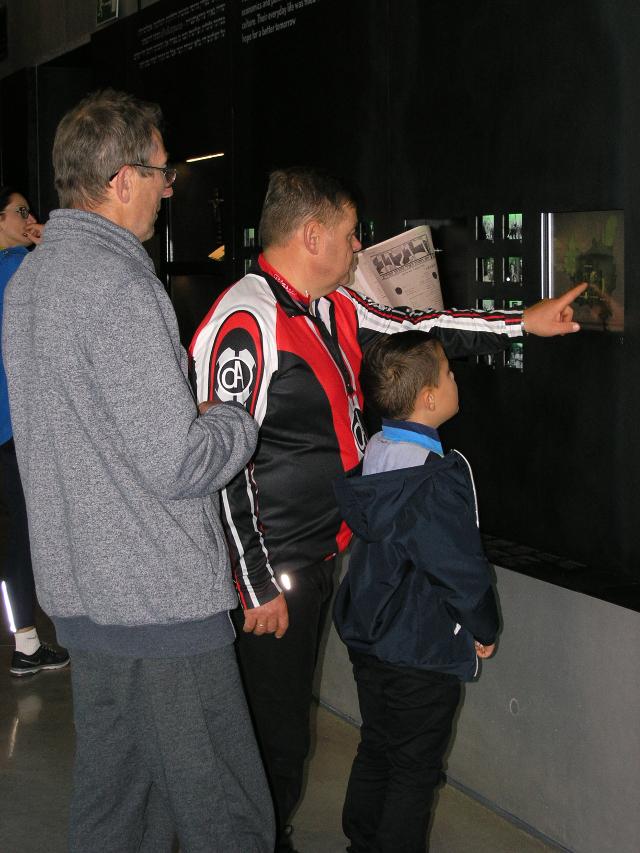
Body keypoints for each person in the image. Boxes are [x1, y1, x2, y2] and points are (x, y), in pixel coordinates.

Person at [189, 166, 585, 852]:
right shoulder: (247, 321)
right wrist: (254, 582)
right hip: (271, 570)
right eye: (350, 233)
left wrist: (523, 321)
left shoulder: (334, 304)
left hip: (312, 560)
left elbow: (425, 325)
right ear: (312, 234)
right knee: (267, 740)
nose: (358, 246)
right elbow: (216, 464)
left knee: (283, 736)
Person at [2, 90, 274, 853]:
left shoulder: (29, 284)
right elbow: (179, 460)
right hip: (159, 604)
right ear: (122, 180)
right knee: (228, 817)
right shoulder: (121, 285)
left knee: (119, 811)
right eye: (161, 172)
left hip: (86, 601)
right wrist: (236, 415)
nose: (168, 187)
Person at [332, 331, 498, 852]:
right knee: (414, 770)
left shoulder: (376, 454)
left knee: (377, 746)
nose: (454, 377)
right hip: (420, 649)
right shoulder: (432, 479)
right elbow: (458, 568)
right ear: (428, 398)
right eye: (448, 372)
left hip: (371, 641)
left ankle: (361, 843)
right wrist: (483, 625)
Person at [0, 187, 70, 676]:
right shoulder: (20, 265)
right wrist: (51, 245)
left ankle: (26, 640)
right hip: (13, 429)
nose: (30, 217)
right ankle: (27, 643)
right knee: (23, 535)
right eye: (21, 211)